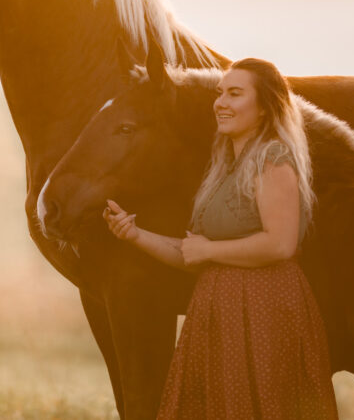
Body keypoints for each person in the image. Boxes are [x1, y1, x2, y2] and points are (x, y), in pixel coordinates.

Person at [102, 57, 339, 419]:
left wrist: (210, 248)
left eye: (235, 93)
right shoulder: (225, 166)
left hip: (264, 310)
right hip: (219, 313)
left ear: (264, 108)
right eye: (220, 93)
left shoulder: (271, 158)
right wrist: (134, 235)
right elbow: (193, 255)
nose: (221, 102)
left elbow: (280, 243)